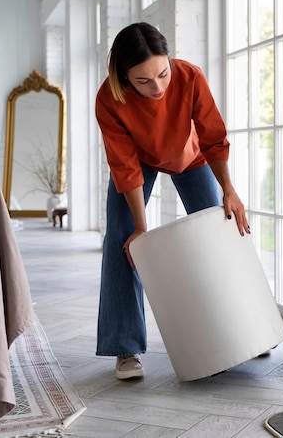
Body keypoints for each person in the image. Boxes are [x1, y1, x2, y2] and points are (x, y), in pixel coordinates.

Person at [95, 22, 250, 380]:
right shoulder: (109, 98)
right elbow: (124, 164)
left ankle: (243, 329)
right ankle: (125, 348)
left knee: (221, 229)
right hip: (139, 160)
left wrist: (228, 187)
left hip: (190, 156)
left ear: (170, 61)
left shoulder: (190, 77)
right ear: (124, 77)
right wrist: (140, 229)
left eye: (163, 74)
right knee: (123, 242)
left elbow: (213, 138)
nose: (158, 87)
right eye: (144, 82)